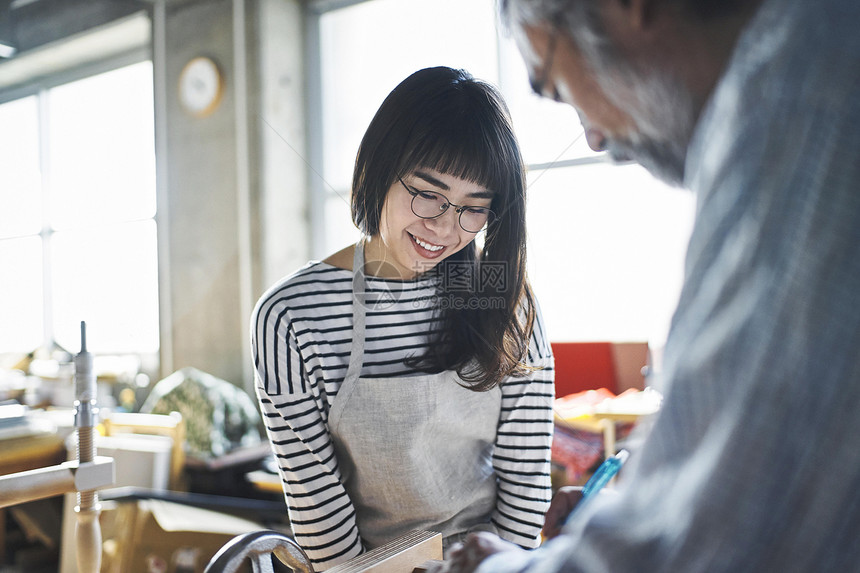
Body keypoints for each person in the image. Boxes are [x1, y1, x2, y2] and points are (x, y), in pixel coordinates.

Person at [431, 0, 860, 571]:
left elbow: (709, 540)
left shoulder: (796, 104)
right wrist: (643, 498)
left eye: (555, 82)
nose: (592, 138)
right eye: (426, 194)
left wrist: (495, 566)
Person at [251, 66, 554, 570]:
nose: (445, 227)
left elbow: (526, 483)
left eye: (473, 208)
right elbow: (320, 510)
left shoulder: (503, 300)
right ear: (379, 165)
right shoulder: (291, 316)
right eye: (429, 194)